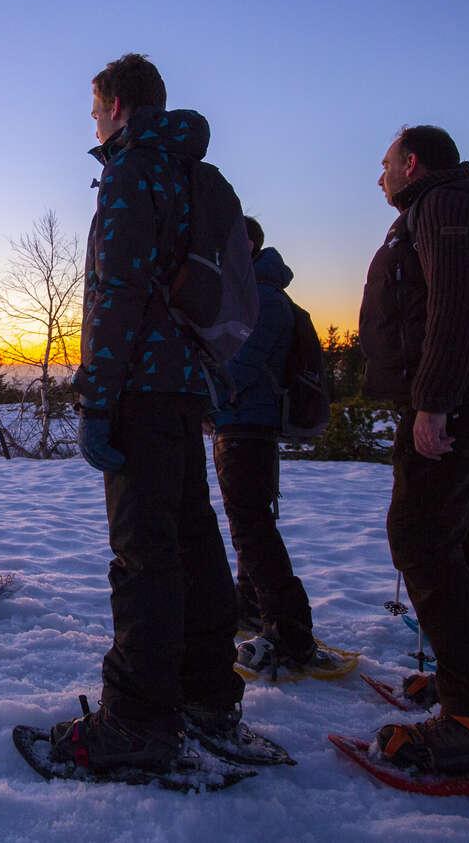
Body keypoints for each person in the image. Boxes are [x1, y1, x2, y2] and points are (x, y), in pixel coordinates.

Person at [49, 53, 255, 772]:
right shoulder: (193, 173)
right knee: (192, 542)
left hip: (140, 385)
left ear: (117, 105)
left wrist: (97, 398)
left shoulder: (133, 169)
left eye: (94, 109)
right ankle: (207, 695)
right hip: (183, 384)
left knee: (144, 556)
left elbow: (119, 292)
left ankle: (138, 722)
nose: (92, 123)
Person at [359, 124, 469, 777]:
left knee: (422, 537)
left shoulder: (446, 205)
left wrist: (434, 401)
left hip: (458, 399)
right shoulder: (455, 204)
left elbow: (459, 306)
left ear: (412, 162)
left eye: (385, 163)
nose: (379, 176)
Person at [211, 216, 320, 676]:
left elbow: (241, 365)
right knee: (248, 523)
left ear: (247, 245)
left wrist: (201, 396)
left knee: (252, 527)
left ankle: (289, 629)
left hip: (248, 424)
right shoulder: (252, 294)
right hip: (239, 421)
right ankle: (252, 606)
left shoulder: (263, 299)